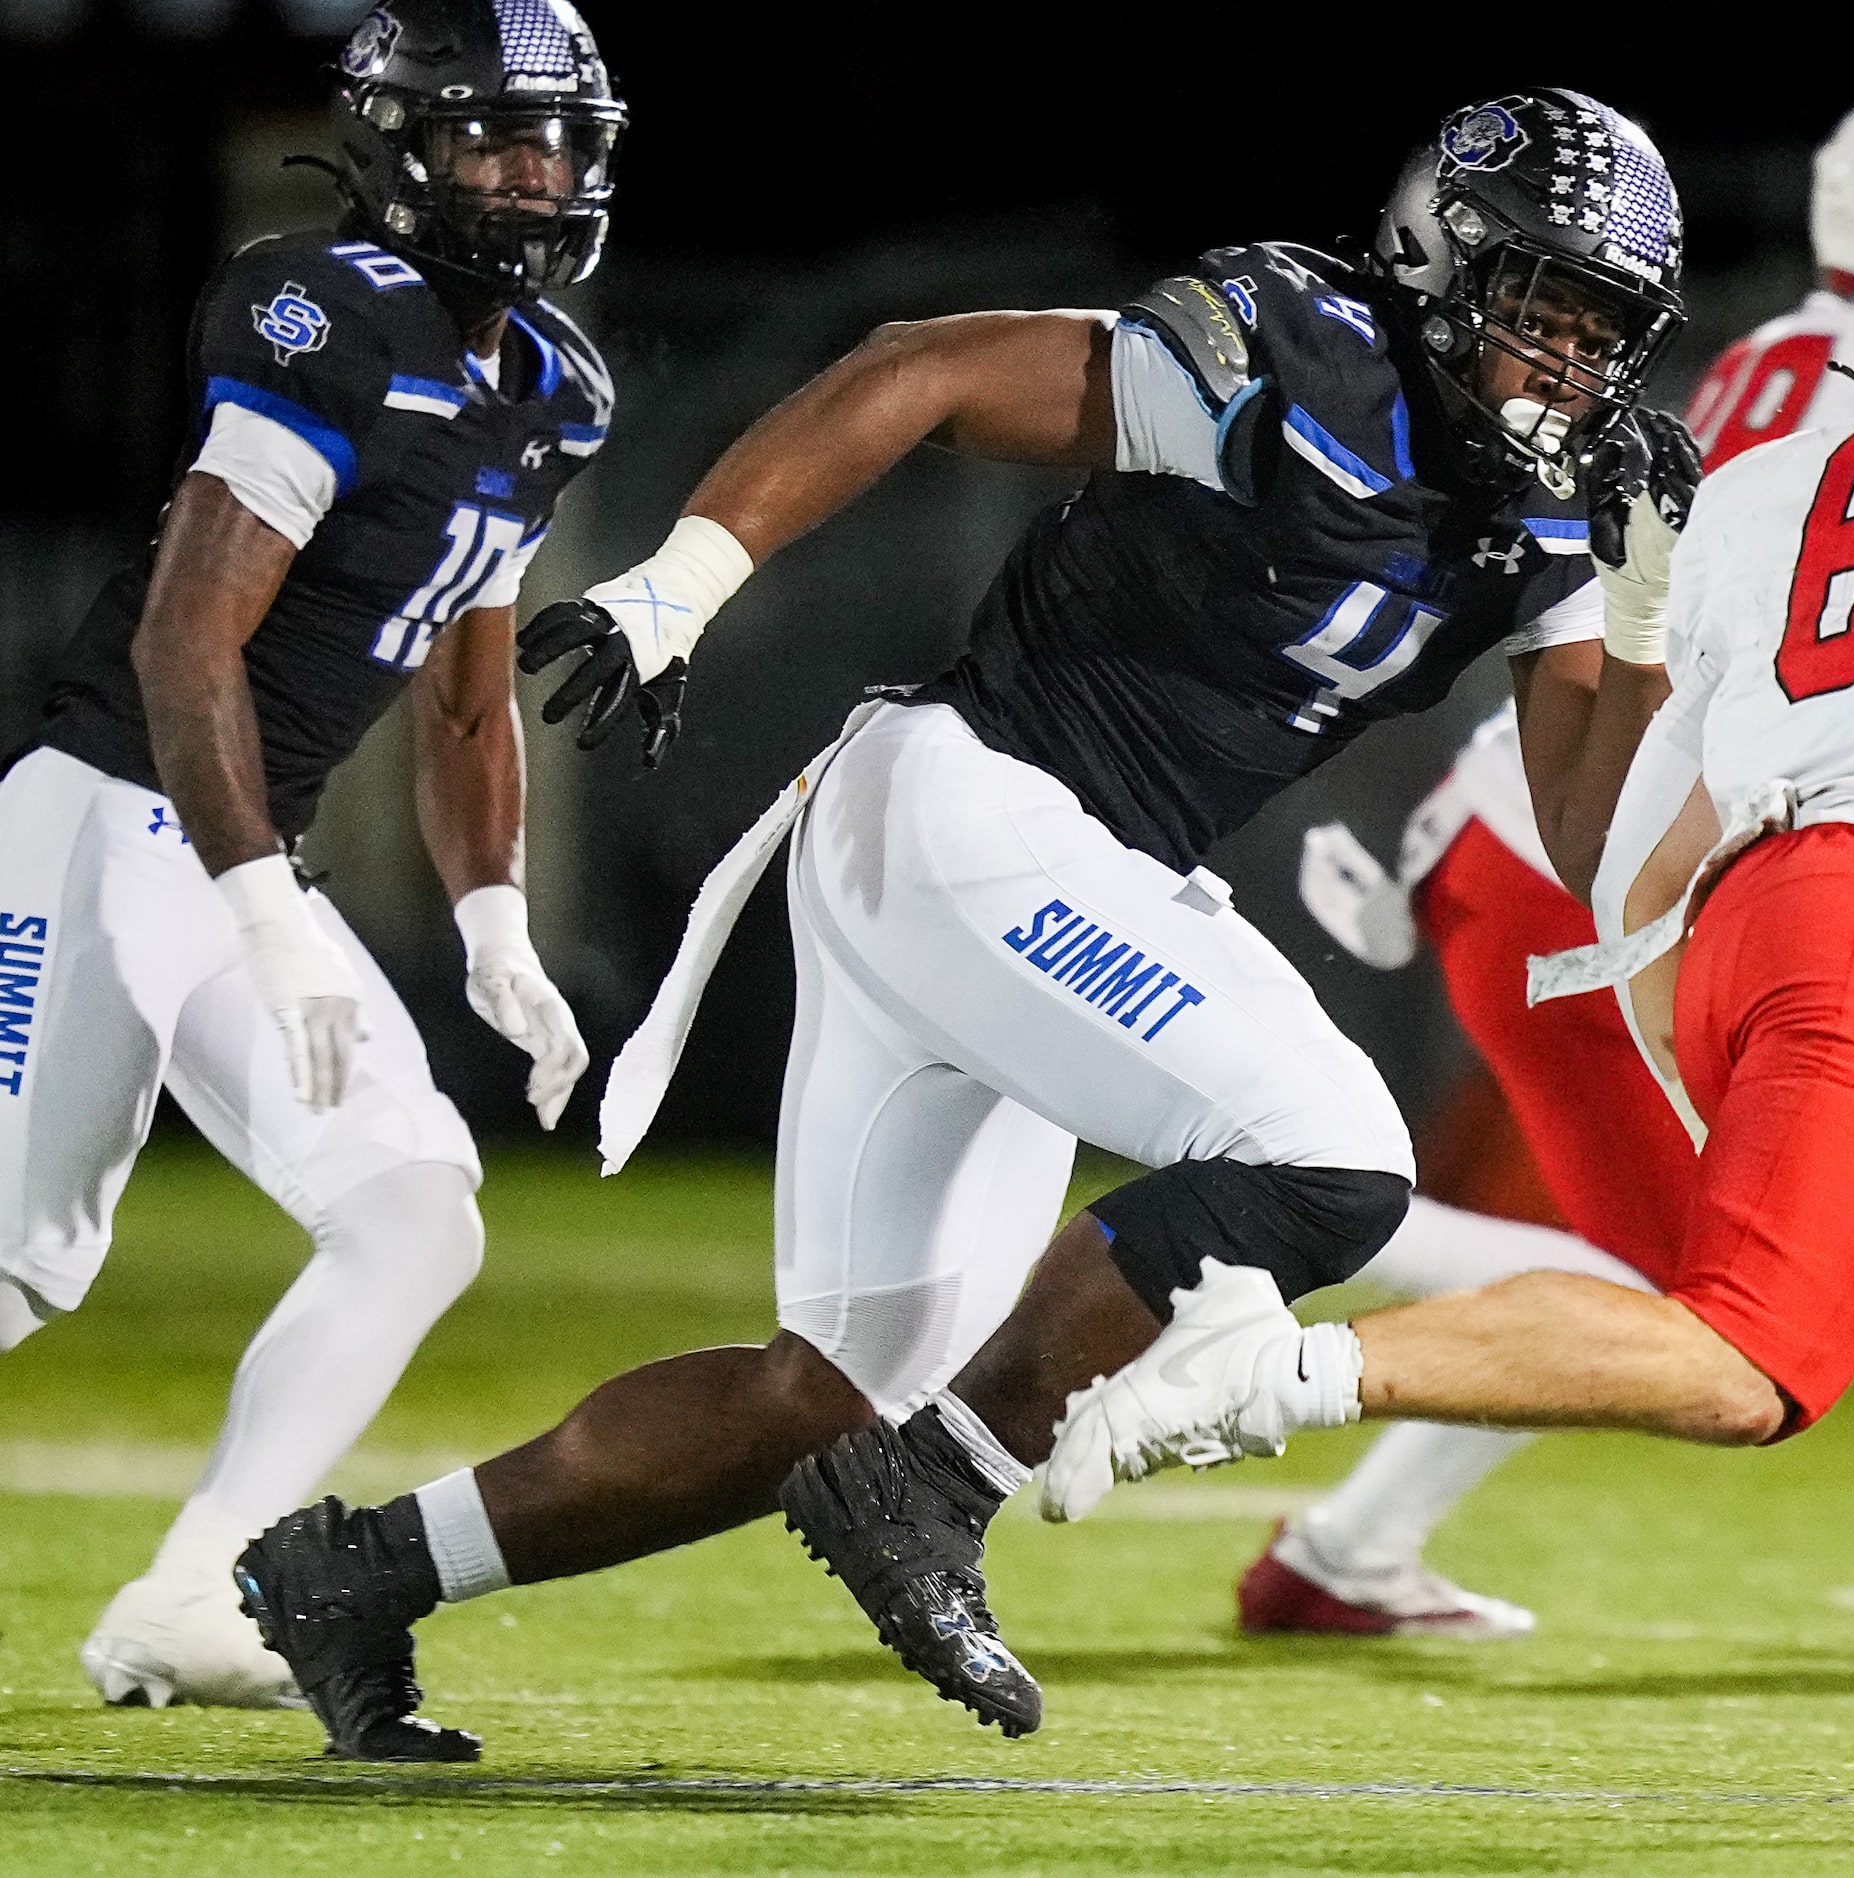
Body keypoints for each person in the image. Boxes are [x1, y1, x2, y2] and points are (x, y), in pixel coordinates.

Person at [233, 89, 1700, 1760]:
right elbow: (921, 367)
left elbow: (1590, 827)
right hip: (975, 806)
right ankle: (938, 1490)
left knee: (825, 1387)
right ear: (1442, 266)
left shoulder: (1578, 498)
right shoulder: (1299, 357)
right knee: (1333, 1154)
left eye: (1604, 333)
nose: (1567, 369)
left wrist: (1642, 622)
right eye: (1538, 312)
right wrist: (680, 582)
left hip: (1038, 868)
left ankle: (355, 1573)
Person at [1044, 170, 1854, 1843]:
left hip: (1745, 931)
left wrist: (1687, 1042)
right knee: (1754, 1366)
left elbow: (1651, 845)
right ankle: (1272, 1366)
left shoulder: (1767, 479)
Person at [1248, 69, 1854, 1641]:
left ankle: (1331, 1527)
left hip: (1613, 832)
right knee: (1726, 1310)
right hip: (1650, 854)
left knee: (1681, 1273)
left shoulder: (1800, 365)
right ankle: (1241, 1246)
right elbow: (1761, 640)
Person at [0, 0, 613, 1710]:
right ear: (403, 150)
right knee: (15, 1257)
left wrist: (496, 920)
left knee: (413, 1210)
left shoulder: (555, 387)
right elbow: (184, 644)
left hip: (221, 844)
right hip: (109, 816)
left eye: (560, 137)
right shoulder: (323, 314)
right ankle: (193, 1586)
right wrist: (262, 906)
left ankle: (196, 1590)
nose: (536, 171)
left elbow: (468, 700)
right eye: (498, 134)